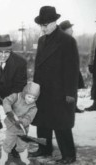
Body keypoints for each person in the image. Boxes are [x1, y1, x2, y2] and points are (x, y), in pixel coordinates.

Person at [30, 6, 79, 164]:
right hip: (43, 89)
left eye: (45, 25)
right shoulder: (41, 40)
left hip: (60, 91)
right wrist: (34, 89)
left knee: (61, 124)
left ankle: (69, 155)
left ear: (54, 22)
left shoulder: (67, 41)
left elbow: (72, 71)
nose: (43, 28)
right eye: (41, 25)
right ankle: (44, 148)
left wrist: (70, 94)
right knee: (42, 122)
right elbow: (38, 66)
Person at [0, 82, 40, 165]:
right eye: (29, 96)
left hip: (23, 129)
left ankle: (24, 159)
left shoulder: (33, 107)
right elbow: (6, 101)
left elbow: (29, 118)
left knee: (22, 144)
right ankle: (3, 159)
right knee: (8, 143)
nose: (30, 99)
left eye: (33, 98)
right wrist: (8, 111)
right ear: (24, 93)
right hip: (11, 126)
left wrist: (22, 122)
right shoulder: (16, 96)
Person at [59, 20, 86, 113]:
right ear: (65, 30)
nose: (72, 30)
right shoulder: (62, 41)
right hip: (67, 70)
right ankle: (69, 108)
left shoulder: (70, 40)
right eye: (70, 28)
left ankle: (74, 107)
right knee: (68, 90)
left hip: (74, 68)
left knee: (74, 88)